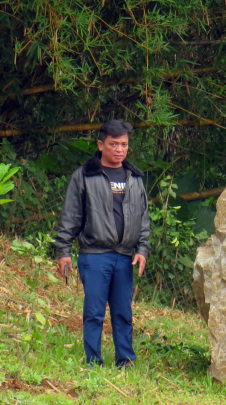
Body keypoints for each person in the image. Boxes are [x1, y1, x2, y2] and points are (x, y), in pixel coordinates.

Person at [54, 119, 151, 368]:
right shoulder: (84, 176)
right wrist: (63, 250)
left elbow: (143, 219)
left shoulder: (135, 178)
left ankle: (125, 362)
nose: (119, 150)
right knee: (94, 312)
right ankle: (93, 363)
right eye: (114, 144)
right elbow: (71, 216)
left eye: (124, 145)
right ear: (101, 145)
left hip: (124, 256)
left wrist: (142, 250)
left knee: (123, 313)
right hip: (95, 255)